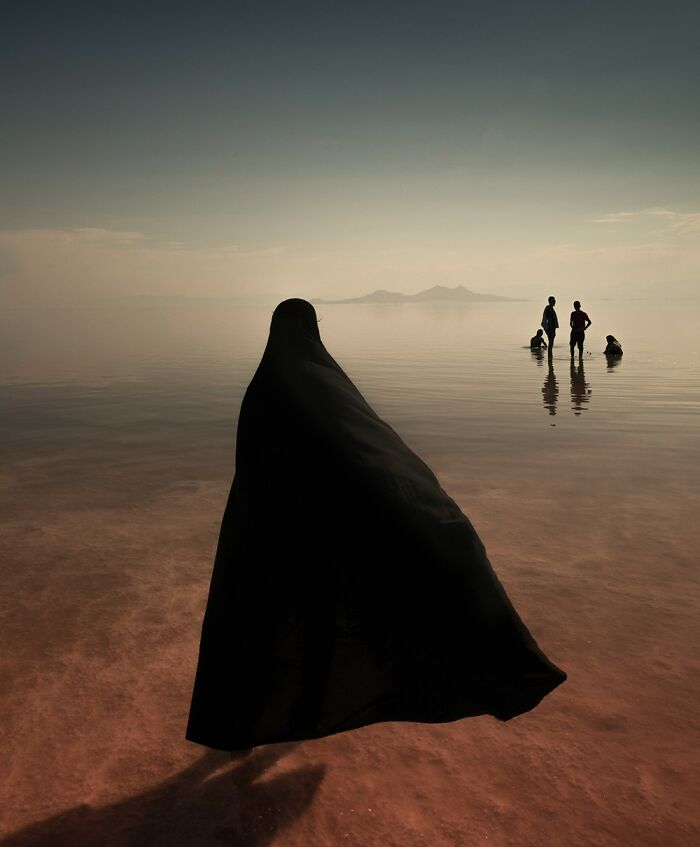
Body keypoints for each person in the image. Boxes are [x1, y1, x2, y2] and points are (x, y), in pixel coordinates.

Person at [186, 299, 566, 752]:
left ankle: (244, 729)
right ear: (313, 331)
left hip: (275, 540)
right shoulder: (324, 380)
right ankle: (307, 713)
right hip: (327, 537)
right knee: (319, 631)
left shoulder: (263, 389)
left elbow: (252, 475)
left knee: (261, 630)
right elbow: (371, 449)